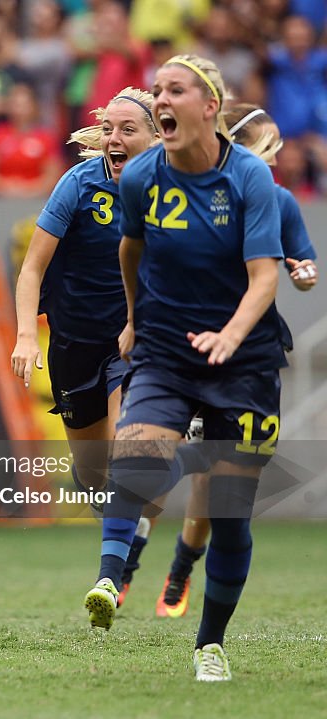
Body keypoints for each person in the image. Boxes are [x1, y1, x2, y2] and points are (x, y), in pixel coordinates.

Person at [82, 55, 285, 683]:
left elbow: (265, 276)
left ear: (209, 106)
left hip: (243, 358)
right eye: (158, 90)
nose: (161, 100)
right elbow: (131, 247)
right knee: (136, 455)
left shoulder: (250, 177)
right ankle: (111, 581)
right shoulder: (142, 174)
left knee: (224, 511)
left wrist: (231, 333)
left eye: (174, 90)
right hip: (168, 348)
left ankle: (209, 645)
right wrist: (135, 319)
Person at [148, 103, 318, 620]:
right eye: (261, 149)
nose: (269, 161)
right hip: (185, 347)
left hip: (246, 359)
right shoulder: (187, 196)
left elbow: (304, 262)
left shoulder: (278, 201)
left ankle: (182, 564)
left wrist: (302, 272)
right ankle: (124, 561)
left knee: (216, 481)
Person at [12, 87, 159, 514]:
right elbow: (32, 269)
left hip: (132, 340)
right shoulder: (78, 183)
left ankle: (119, 567)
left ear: (155, 138)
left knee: (127, 452)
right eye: (108, 129)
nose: (114, 138)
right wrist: (25, 336)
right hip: (74, 342)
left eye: (127, 129)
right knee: (94, 475)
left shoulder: (171, 188)